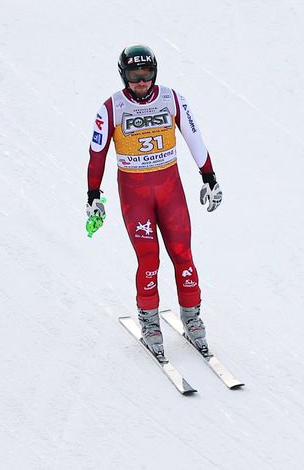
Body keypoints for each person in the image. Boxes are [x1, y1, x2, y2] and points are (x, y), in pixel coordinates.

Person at [86, 44, 223, 359]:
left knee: (182, 254)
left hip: (169, 189)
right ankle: (149, 323)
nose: (141, 83)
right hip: (136, 195)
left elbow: (193, 137)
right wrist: (93, 194)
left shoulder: (171, 99)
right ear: (124, 76)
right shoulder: (111, 108)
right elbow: (97, 155)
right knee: (149, 259)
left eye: (146, 75)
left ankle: (192, 318)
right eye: (134, 76)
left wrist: (209, 176)